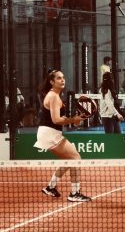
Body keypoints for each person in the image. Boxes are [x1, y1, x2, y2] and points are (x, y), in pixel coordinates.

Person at [34, 69, 91, 202]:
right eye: (59, 78)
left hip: (48, 132)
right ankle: (74, 193)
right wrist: (73, 120)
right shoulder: (53, 96)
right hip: (49, 133)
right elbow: (56, 120)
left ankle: (50, 187)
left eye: (63, 77)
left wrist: (73, 120)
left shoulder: (55, 95)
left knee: (70, 159)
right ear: (52, 82)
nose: (63, 80)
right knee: (76, 157)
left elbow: (60, 119)